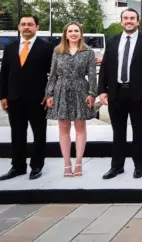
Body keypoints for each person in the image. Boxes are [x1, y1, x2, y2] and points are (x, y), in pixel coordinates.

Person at [98, 8, 142, 179]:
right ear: (121, 21)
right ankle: (117, 166)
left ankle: (139, 166)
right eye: (126, 18)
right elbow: (105, 68)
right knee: (118, 132)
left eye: (132, 18)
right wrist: (102, 90)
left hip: (137, 94)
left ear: (138, 21)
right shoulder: (112, 41)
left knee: (139, 131)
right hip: (116, 93)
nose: (129, 21)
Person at [0, 15, 54, 181]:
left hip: (38, 99)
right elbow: (4, 74)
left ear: (37, 27)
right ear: (19, 27)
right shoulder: (10, 48)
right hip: (14, 98)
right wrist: (3, 95)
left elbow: (54, 74)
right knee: (17, 134)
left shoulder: (47, 47)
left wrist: (50, 94)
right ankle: (18, 166)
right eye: (23, 24)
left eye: (30, 24)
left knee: (39, 134)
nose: (26, 27)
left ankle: (36, 166)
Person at [45, 22, 98, 177]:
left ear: (81, 34)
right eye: (70, 31)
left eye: (76, 31)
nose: (73, 33)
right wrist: (49, 94)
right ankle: (67, 162)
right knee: (64, 127)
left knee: (80, 126)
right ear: (65, 34)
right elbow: (53, 74)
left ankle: (79, 162)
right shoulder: (58, 51)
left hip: (81, 89)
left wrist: (92, 93)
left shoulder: (88, 52)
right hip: (61, 89)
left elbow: (93, 75)